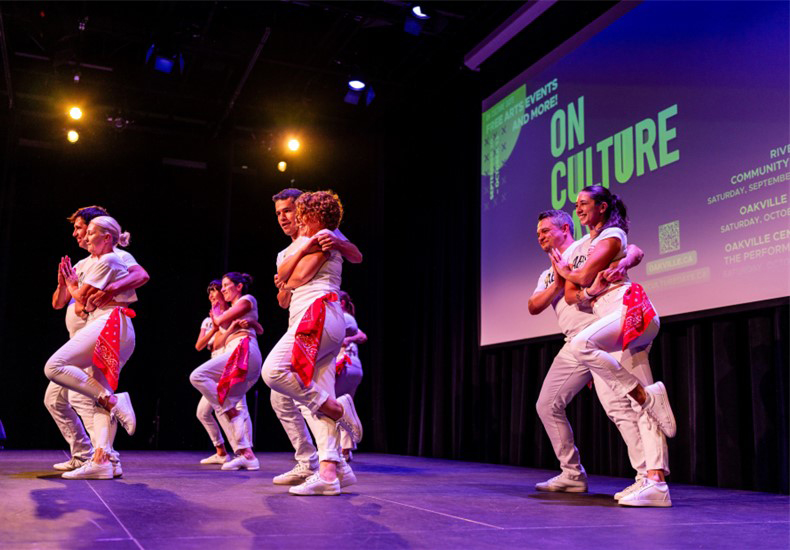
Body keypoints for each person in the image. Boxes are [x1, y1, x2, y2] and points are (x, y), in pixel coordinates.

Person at [529, 209, 670, 506]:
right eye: (538, 232)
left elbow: (630, 248)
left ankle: (648, 477)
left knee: (620, 408)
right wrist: (559, 278)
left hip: (604, 333)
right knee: (547, 404)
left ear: (565, 228)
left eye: (545, 230)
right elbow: (534, 305)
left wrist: (624, 262)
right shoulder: (548, 271)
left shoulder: (585, 245)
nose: (539, 236)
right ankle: (571, 473)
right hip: (577, 344)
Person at [262, 190, 363, 496]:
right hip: (306, 318)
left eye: (291, 210)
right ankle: (332, 470)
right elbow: (284, 287)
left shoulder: (323, 234)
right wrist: (287, 282)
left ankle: (338, 408)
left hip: (319, 315)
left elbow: (296, 277)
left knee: (274, 372)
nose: (285, 217)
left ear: (304, 211)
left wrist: (290, 277)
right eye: (279, 212)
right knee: (308, 392)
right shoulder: (288, 250)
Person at [47, 206, 149, 477]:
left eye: (85, 229)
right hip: (95, 329)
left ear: (105, 235)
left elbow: (140, 276)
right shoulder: (86, 262)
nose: (80, 235)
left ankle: (114, 407)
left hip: (106, 325)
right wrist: (65, 284)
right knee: (88, 397)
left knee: (56, 368)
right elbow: (64, 302)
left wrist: (78, 289)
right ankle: (102, 459)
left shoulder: (114, 257)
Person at [190, 272, 262, 471]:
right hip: (233, 352)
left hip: (243, 350)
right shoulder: (230, 312)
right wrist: (225, 326)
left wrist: (218, 318)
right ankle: (246, 454)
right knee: (222, 407)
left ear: (239, 286)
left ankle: (232, 413)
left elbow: (223, 319)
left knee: (198, 376)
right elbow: (218, 342)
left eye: (225, 286)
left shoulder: (247, 299)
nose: (221, 290)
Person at [334, 290, 366, 462]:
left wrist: (347, 340)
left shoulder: (344, 318)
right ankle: (345, 448)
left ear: (342, 303)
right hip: (353, 367)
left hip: (345, 364)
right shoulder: (347, 319)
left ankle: (342, 449)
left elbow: (362, 336)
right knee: (343, 404)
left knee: (335, 405)